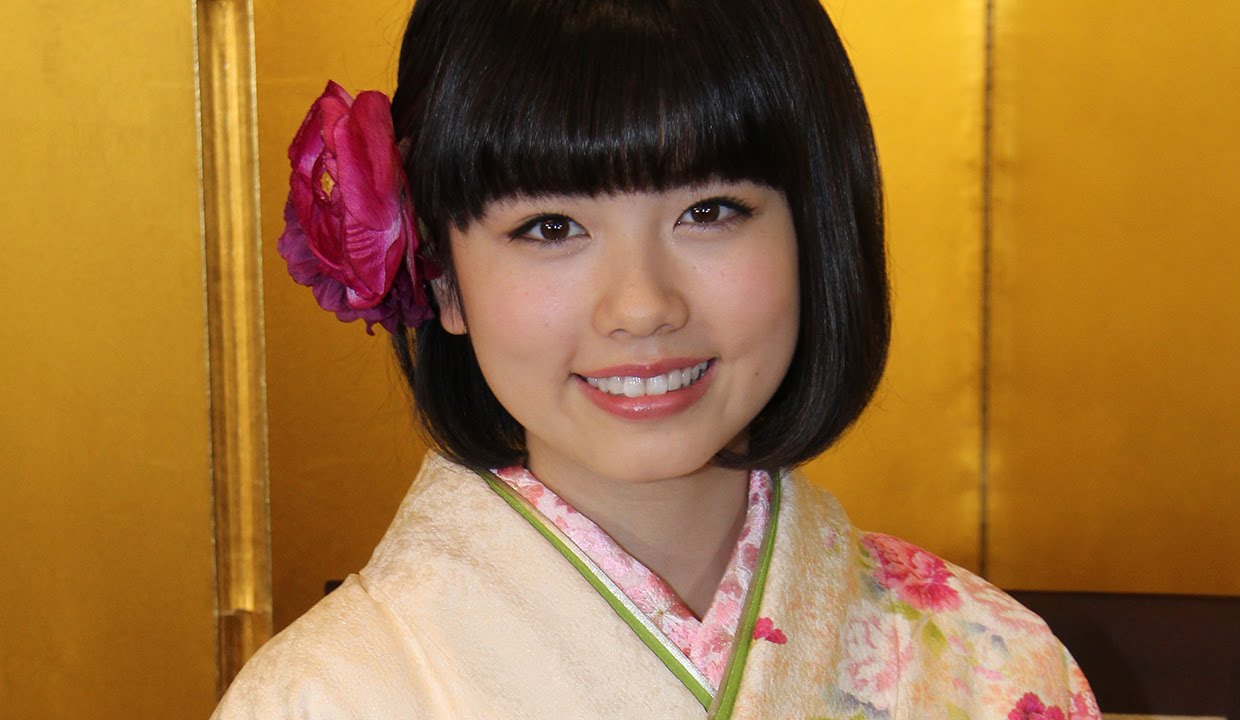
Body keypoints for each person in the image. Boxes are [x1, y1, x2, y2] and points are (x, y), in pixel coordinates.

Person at [214, 0, 1099, 717]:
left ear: (815, 229)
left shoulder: (991, 669)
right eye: (550, 227)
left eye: (709, 212)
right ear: (442, 275)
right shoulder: (325, 697)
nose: (641, 306)